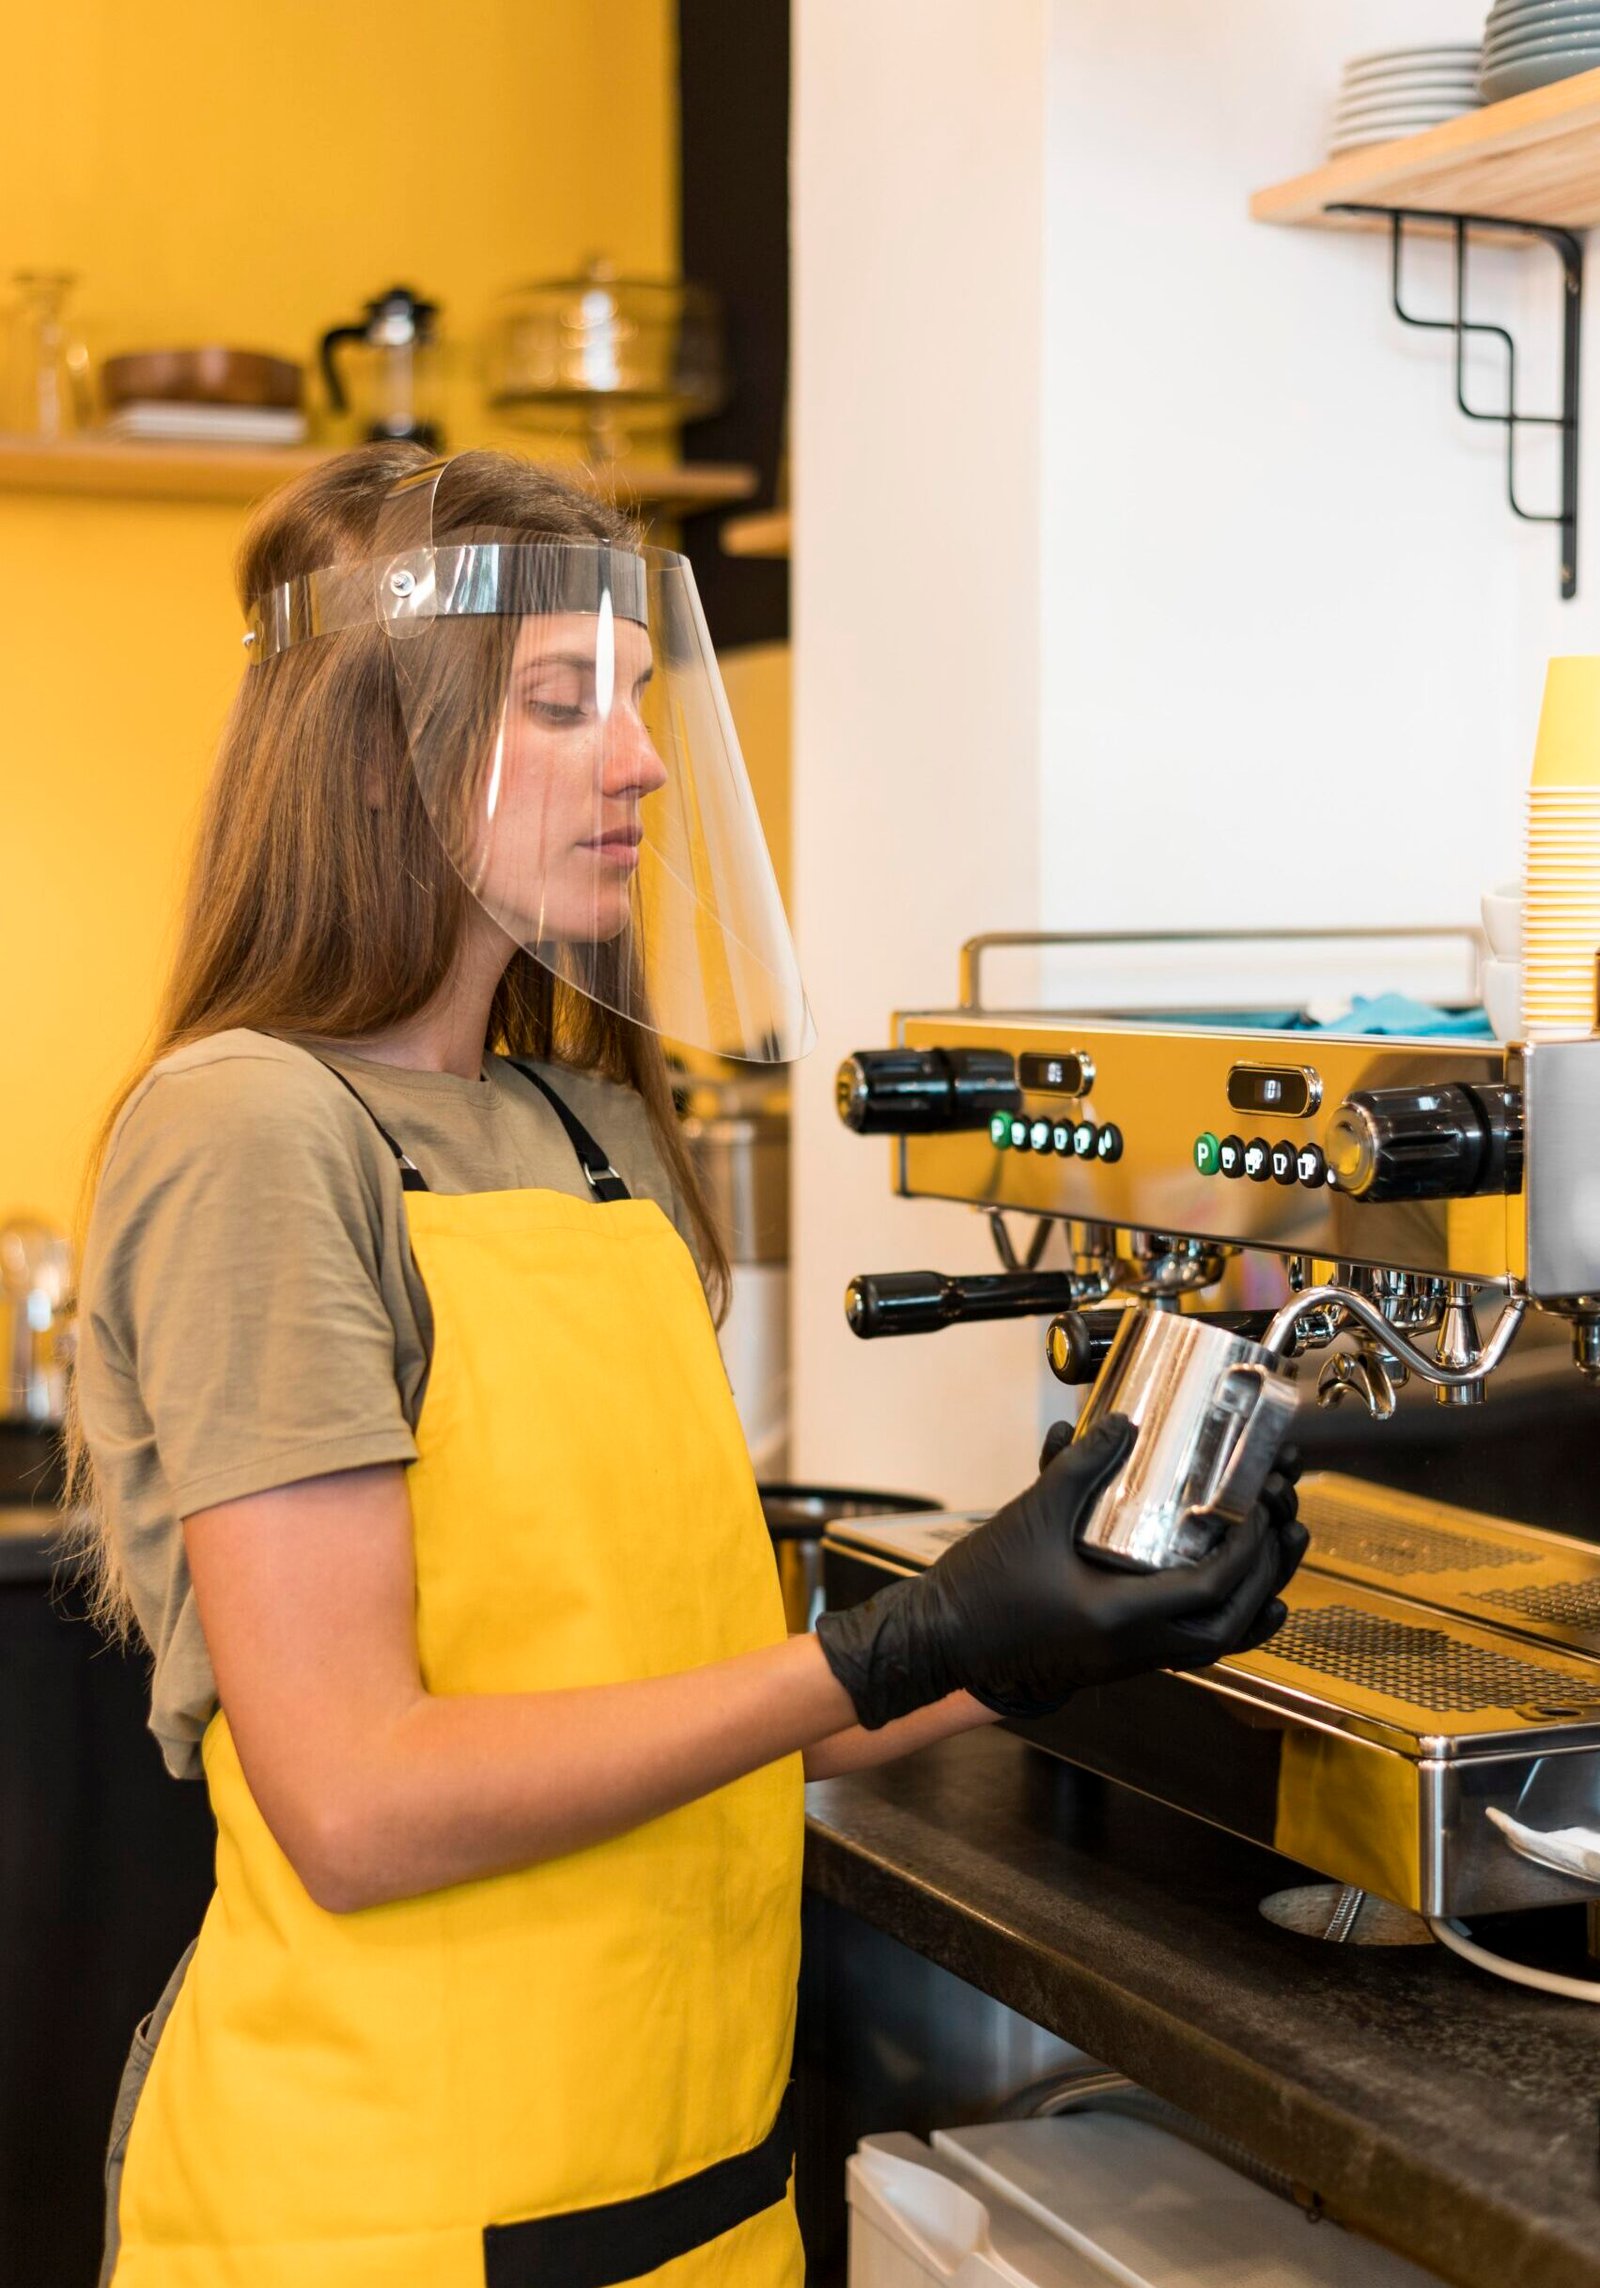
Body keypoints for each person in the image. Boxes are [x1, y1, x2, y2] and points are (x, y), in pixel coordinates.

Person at [71, 444, 1305, 2288]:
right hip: (392, 2218)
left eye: (637, 700)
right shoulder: (254, 1127)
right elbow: (358, 1798)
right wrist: (895, 1646)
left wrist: (1048, 1625)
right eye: (565, 702)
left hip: (696, 2188)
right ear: (380, 743)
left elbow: (666, 1692)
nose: (643, 758)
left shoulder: (589, 1130)